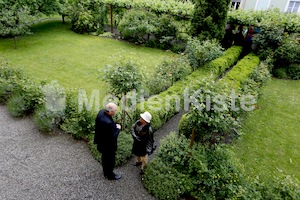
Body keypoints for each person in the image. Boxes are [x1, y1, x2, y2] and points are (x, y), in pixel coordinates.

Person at [94, 102, 122, 180]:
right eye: (115, 111)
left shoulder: (101, 113)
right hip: (109, 146)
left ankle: (105, 172)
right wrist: (118, 129)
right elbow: (113, 137)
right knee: (110, 160)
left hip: (102, 142)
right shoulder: (108, 123)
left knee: (104, 158)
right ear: (110, 112)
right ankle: (110, 175)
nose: (116, 112)